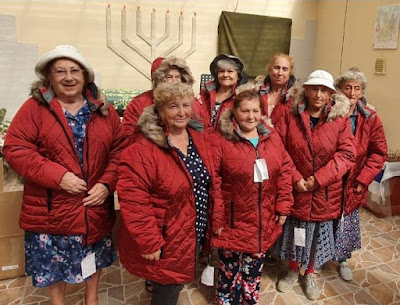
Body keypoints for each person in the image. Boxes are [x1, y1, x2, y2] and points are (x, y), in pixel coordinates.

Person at [3, 45, 124, 305]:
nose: (68, 77)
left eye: (74, 70)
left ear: (85, 76)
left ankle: (91, 300)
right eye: (60, 71)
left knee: (94, 254)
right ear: (49, 77)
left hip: (93, 204)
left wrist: (106, 183)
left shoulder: (103, 110)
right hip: (52, 208)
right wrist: (59, 176)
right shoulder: (34, 108)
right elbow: (15, 149)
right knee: (52, 264)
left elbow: (120, 150)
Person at [117, 82, 214, 305]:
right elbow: (134, 201)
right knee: (166, 289)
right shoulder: (142, 148)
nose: (181, 112)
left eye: (186, 105)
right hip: (167, 234)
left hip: (193, 228)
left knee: (173, 283)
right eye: (173, 107)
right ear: (160, 111)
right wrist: (150, 242)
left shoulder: (198, 139)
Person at [273, 70, 355, 300]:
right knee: (295, 233)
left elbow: (347, 154)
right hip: (296, 188)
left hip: (324, 192)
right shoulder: (290, 115)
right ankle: (291, 270)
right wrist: (295, 177)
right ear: (306, 90)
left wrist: (319, 179)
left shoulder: (339, 120)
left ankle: (310, 272)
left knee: (316, 237)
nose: (318, 95)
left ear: (331, 94)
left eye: (324, 90)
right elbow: (279, 148)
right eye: (314, 89)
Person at [211, 86, 294, 305]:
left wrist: (283, 206)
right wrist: (217, 218)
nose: (251, 116)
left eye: (255, 111)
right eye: (245, 111)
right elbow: (214, 181)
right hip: (233, 220)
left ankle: (249, 298)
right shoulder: (222, 140)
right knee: (229, 267)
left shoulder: (272, 137)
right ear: (234, 112)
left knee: (254, 266)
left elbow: (285, 171)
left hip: (263, 219)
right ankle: (226, 299)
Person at [333, 68, 387, 280]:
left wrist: (364, 179)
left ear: (362, 91)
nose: (352, 93)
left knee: (347, 222)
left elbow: (379, 153)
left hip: (354, 180)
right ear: (339, 90)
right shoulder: (332, 112)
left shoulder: (371, 117)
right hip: (333, 177)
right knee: (326, 220)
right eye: (347, 88)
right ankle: (319, 257)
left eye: (357, 88)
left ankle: (343, 259)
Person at [122, 56, 195, 138]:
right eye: (169, 77)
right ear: (159, 79)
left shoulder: (192, 101)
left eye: (177, 77)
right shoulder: (139, 102)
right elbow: (127, 133)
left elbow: (202, 128)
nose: (174, 81)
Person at [193, 53, 248, 131]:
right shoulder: (205, 94)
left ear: (238, 76)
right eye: (221, 71)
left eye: (230, 71)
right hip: (203, 138)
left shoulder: (242, 97)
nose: (225, 75)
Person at [258, 53, 298, 125]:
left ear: (290, 73)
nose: (280, 73)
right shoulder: (256, 92)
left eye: (285, 69)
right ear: (270, 69)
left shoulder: (295, 97)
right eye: (277, 68)